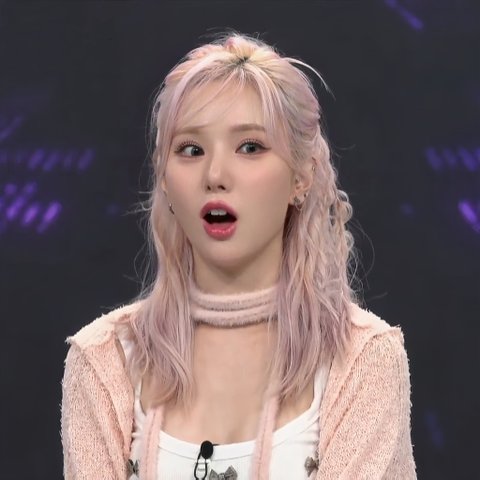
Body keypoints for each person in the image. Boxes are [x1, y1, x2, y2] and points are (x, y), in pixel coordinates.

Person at [61, 33, 416, 479]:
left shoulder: (362, 359)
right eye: (191, 150)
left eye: (250, 147)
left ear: (302, 175)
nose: (215, 175)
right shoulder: (105, 358)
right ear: (164, 179)